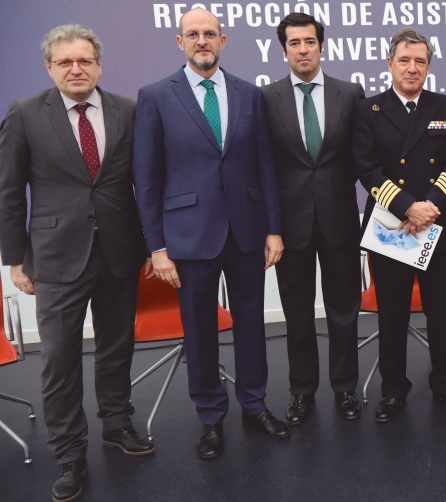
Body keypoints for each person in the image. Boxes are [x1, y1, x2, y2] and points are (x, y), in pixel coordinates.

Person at [0, 24, 154, 502]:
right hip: (55, 257)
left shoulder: (127, 111)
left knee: (116, 348)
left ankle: (117, 424)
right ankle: (69, 453)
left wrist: (151, 246)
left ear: (99, 64)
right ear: (49, 68)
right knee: (61, 362)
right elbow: (8, 193)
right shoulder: (25, 114)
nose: (76, 69)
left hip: (119, 252)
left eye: (84, 60)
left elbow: (145, 184)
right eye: (65, 62)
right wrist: (14, 260)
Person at [132, 8, 289, 459]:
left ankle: (255, 406)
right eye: (193, 35)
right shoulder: (156, 95)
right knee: (199, 332)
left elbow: (265, 166)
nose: (202, 41)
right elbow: (148, 176)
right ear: (179, 42)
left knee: (252, 327)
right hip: (188, 238)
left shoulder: (248, 94)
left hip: (246, 233)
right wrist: (157, 247)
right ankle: (210, 418)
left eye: (209, 34)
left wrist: (274, 228)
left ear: (223, 40)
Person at [353, 27, 446, 422]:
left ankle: (445, 384)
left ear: (429, 66)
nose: (412, 68)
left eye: (420, 61)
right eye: (404, 60)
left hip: (436, 226)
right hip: (391, 229)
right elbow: (366, 169)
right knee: (393, 314)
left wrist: (431, 207)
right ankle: (393, 390)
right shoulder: (368, 110)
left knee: (440, 312)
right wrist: (407, 208)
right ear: (389, 63)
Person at [261, 13, 366, 425]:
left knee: (344, 311)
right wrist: (271, 226)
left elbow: (363, 159)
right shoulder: (267, 98)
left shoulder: (350, 93)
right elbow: (265, 167)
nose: (302, 49)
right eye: (294, 43)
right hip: (291, 227)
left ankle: (345, 389)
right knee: (298, 314)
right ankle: (302, 392)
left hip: (340, 220)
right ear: (283, 49)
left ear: (321, 46)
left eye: (309, 42)